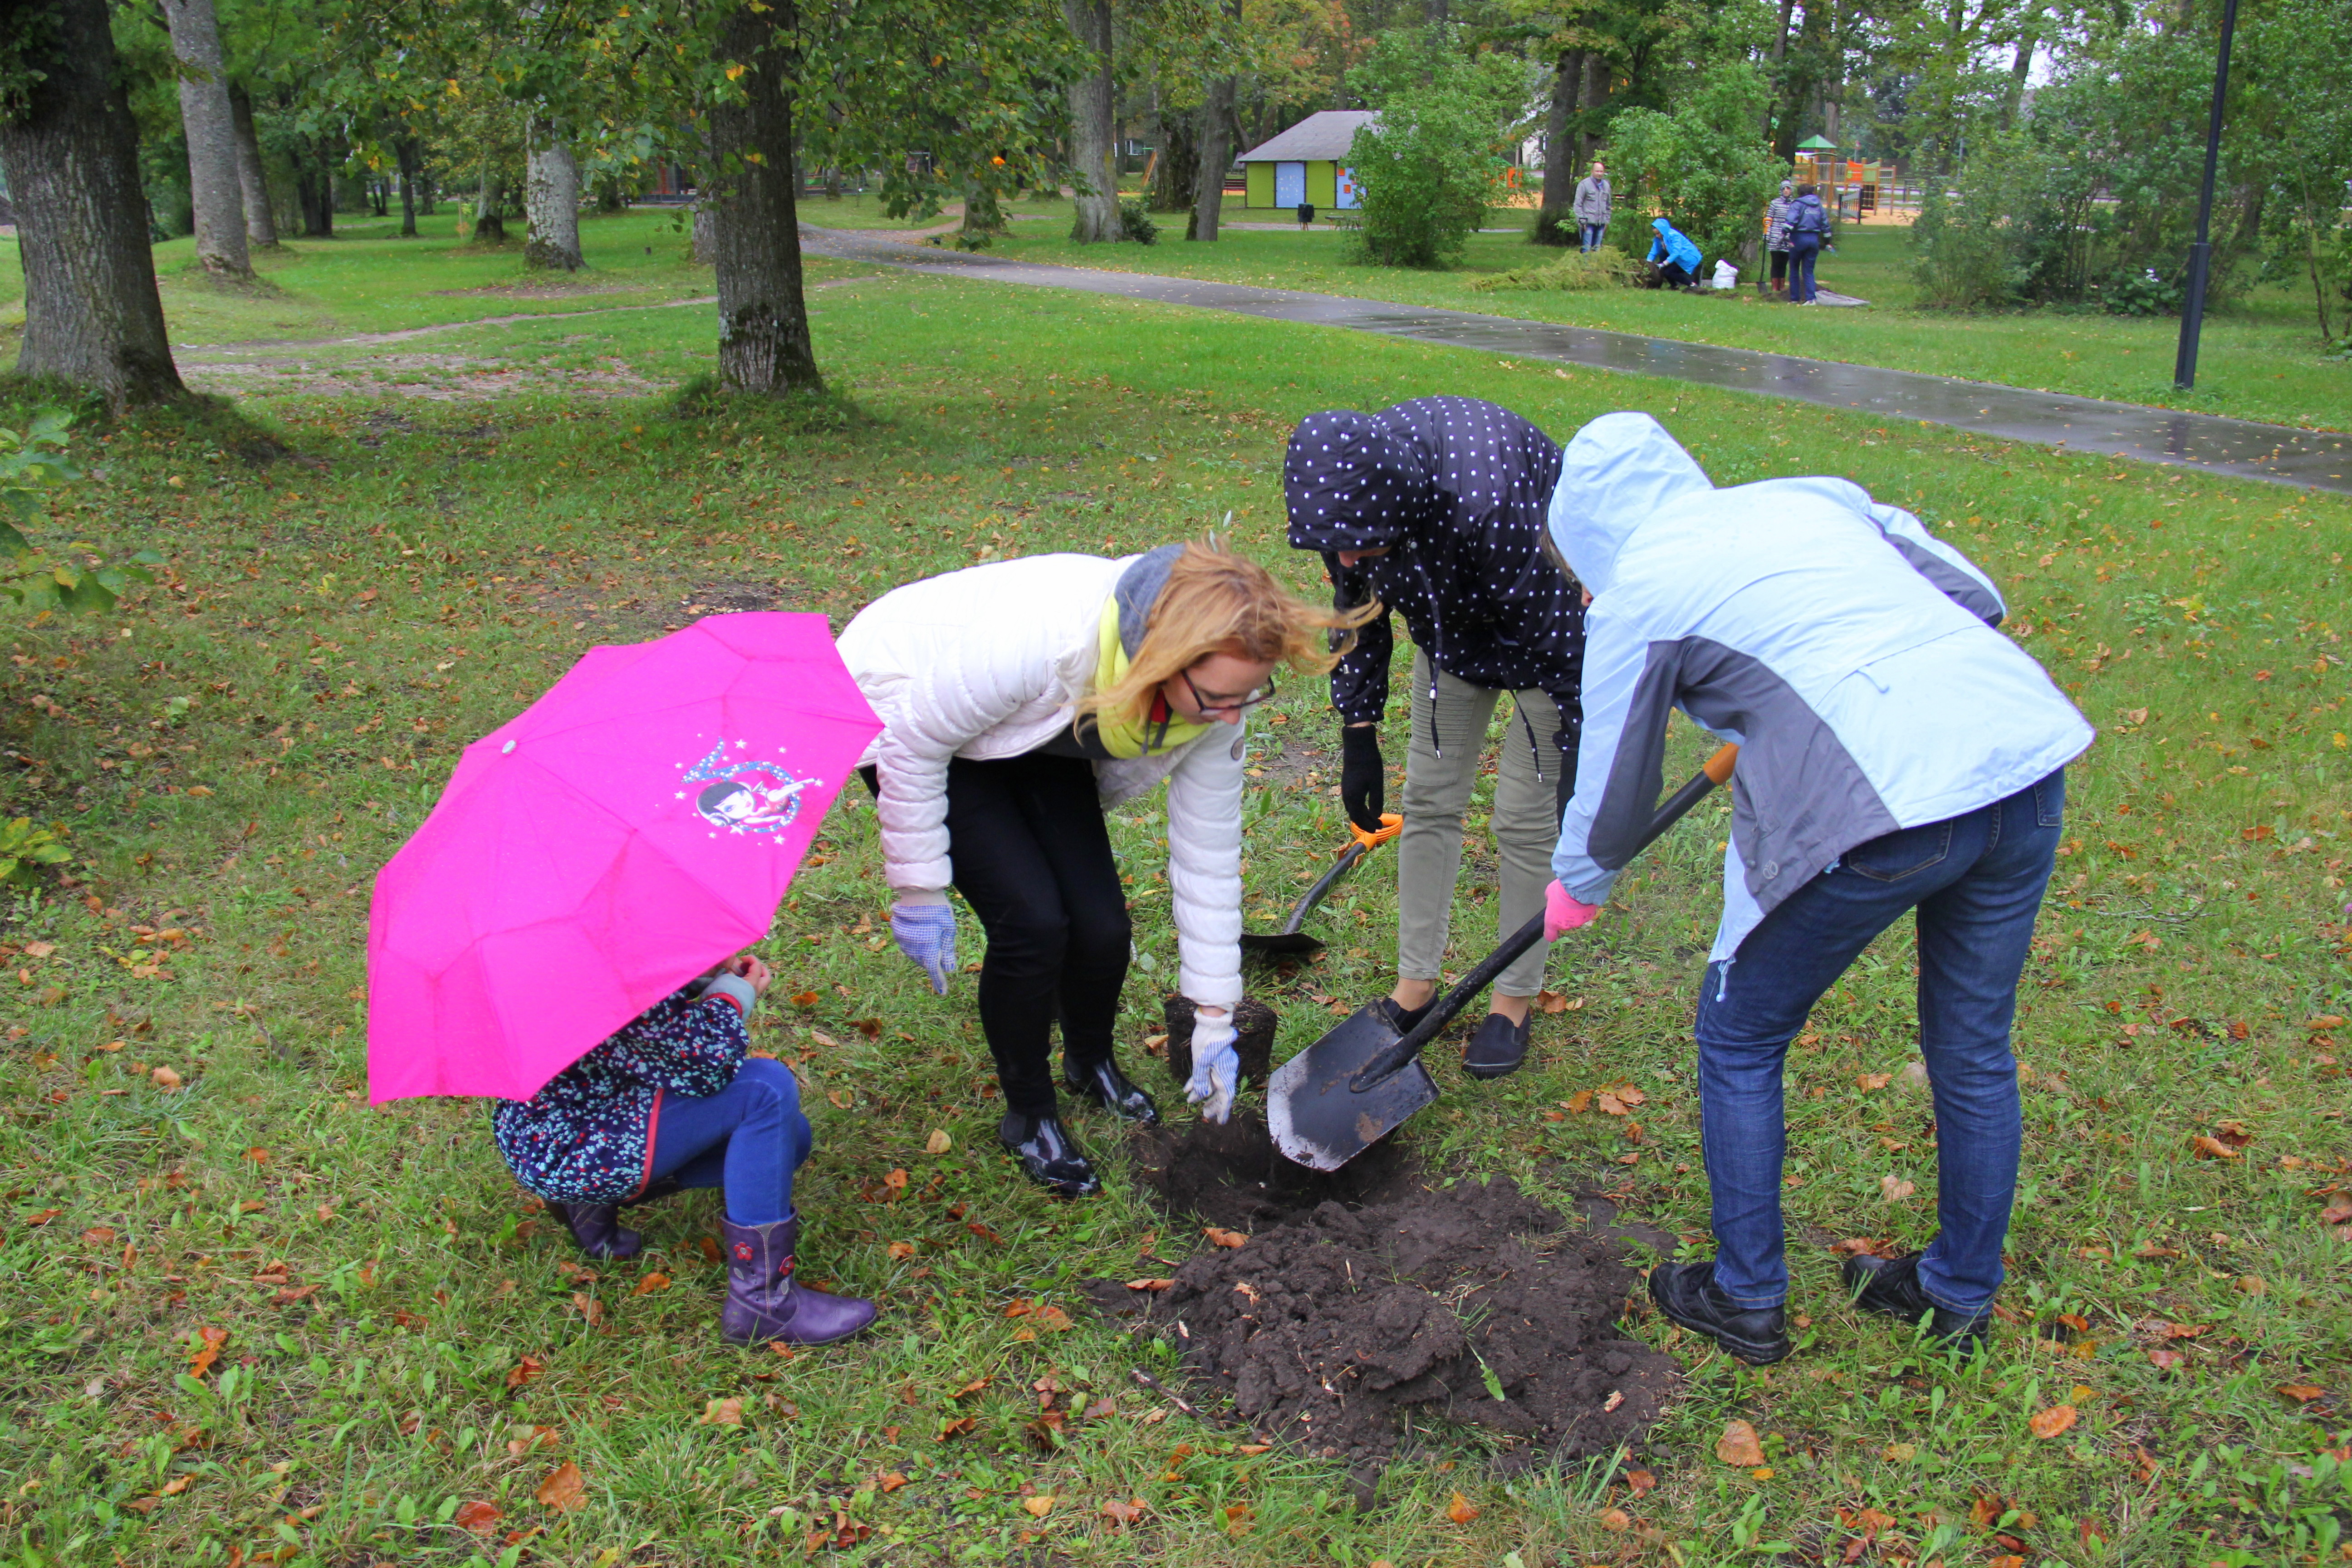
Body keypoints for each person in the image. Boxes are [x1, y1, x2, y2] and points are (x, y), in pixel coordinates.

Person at [1539, 412, 2092, 1365]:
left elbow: (1614, 779)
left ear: (1588, 537)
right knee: (1971, 1047)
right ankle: (1957, 1293)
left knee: (1741, 1035)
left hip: (1883, 805)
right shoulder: (1813, 498)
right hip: (2021, 765)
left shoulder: (1640, 591)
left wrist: (1579, 883)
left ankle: (1745, 1296)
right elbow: (1977, 595)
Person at [838, 539, 1365, 1197]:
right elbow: (916, 739)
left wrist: (1213, 1016)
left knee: (1101, 927)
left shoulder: (1219, 700)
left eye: (1248, 695)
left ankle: (1088, 1063)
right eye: (1217, 697)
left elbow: (1208, 856)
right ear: (1162, 660)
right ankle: (1029, 1115)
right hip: (915, 706)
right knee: (1032, 924)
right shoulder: (1043, 642)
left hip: (1034, 726)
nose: (1233, 715)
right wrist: (919, 889)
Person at [1285, 398, 1586, 1080]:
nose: (1347, 555)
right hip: (1452, 634)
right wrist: (1358, 728)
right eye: (1336, 544)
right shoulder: (1347, 500)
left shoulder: (1490, 502)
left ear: (1397, 506)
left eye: (1360, 542)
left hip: (1546, 639)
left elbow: (1561, 639)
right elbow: (1359, 612)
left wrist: (1575, 745)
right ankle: (1415, 986)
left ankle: (1512, 1000)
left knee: (1524, 820)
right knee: (1429, 801)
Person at [491, 954, 877, 1347]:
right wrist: (731, 997)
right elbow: (704, 1065)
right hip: (570, 1146)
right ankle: (764, 1304)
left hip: (558, 1124)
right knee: (764, 1090)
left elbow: (636, 1030)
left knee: (791, 1140)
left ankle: (589, 1202)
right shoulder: (598, 969)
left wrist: (696, 977)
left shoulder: (570, 955)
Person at [1787, 183, 1829, 304]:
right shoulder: (1818, 205)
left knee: (1794, 269)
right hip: (1814, 239)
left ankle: (1795, 298)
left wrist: (1784, 233)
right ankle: (1811, 298)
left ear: (1799, 193)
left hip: (1798, 238)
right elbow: (1825, 224)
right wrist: (1828, 241)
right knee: (1809, 271)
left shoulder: (1798, 204)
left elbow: (1791, 220)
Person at [1644, 216, 1702, 289]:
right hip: (1676, 258)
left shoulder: (1674, 235)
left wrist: (1664, 264)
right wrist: (1649, 263)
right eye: (1656, 234)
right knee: (1662, 269)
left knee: (1669, 272)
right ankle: (1674, 286)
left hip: (1687, 258)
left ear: (1663, 231)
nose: (1657, 236)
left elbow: (1676, 252)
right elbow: (1653, 252)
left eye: (1658, 233)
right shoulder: (1658, 240)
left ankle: (1691, 284)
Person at [1572, 160, 1612, 253]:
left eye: (1601, 171)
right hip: (1588, 223)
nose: (1600, 174)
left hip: (1601, 223)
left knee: (1597, 250)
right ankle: (1585, 263)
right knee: (1586, 249)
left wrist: (1607, 221)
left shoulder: (1606, 186)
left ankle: (1595, 263)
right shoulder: (1584, 185)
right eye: (1597, 171)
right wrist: (1582, 221)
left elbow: (1609, 205)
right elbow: (1578, 204)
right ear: (1592, 171)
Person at [1763, 180, 1795, 296]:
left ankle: (1782, 285)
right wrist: (1767, 234)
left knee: (1784, 262)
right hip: (1775, 236)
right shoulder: (1775, 203)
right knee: (1776, 262)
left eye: (1788, 189)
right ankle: (1775, 286)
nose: (1786, 191)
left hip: (1788, 237)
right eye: (1784, 189)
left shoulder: (1794, 204)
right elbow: (1769, 220)